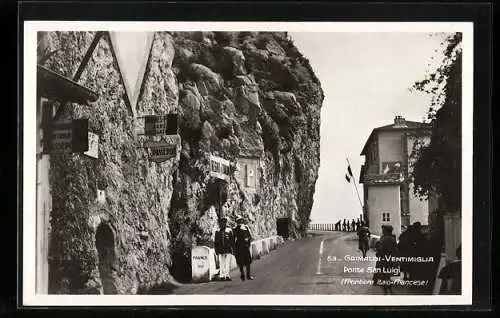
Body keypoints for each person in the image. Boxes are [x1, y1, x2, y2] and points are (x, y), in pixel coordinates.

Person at [373, 224, 398, 295]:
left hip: (384, 258)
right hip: (389, 259)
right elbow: (395, 249)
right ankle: (388, 290)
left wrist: (378, 248)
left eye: (383, 230)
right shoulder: (392, 238)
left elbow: (381, 248)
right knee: (387, 275)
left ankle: (387, 291)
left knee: (383, 274)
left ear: (387, 231)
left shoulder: (385, 238)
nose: (382, 231)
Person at [233, 216, 254, 281]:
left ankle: (248, 275)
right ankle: (242, 274)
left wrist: (249, 242)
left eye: (240, 220)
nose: (239, 221)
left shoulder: (246, 227)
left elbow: (250, 236)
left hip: (246, 246)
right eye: (238, 221)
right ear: (236, 222)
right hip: (239, 247)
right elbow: (233, 239)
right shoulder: (235, 228)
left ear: (242, 220)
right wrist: (234, 248)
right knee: (240, 262)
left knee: (248, 261)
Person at [214, 217, 234, 281]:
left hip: (228, 249)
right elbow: (216, 242)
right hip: (221, 249)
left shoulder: (229, 230)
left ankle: (227, 275)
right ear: (220, 224)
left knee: (228, 262)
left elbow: (232, 241)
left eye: (224, 223)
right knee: (221, 262)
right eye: (222, 223)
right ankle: (222, 276)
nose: (223, 224)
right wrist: (216, 250)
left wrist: (233, 249)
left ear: (226, 223)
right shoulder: (217, 231)